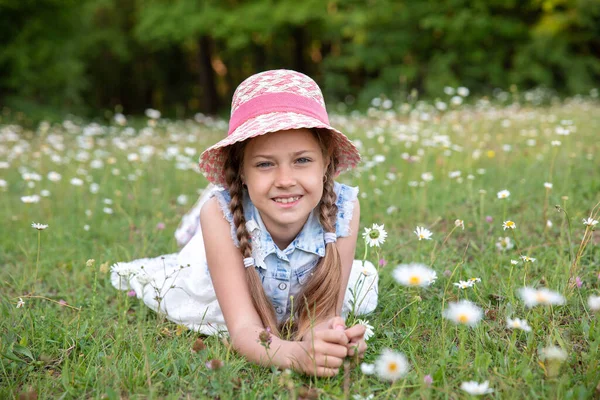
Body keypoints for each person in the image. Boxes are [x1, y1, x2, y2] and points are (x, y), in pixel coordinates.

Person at [111, 69, 378, 376]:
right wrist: (295, 355)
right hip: (227, 269)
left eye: (302, 160)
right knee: (186, 267)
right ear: (240, 171)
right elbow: (243, 328)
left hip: (287, 276)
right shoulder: (218, 215)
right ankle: (192, 235)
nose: (285, 180)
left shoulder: (344, 208)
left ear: (326, 160)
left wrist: (329, 339)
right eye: (265, 164)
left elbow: (320, 315)